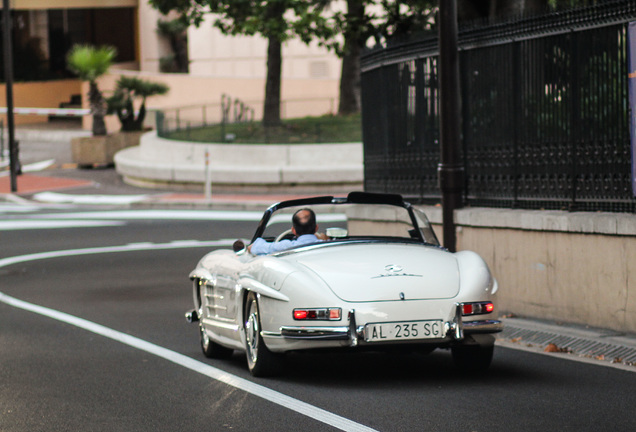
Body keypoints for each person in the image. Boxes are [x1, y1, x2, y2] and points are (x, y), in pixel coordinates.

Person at [248, 208, 326, 255]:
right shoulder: (327, 244)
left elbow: (253, 247)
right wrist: (325, 240)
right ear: (316, 228)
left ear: (293, 231)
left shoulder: (285, 246)